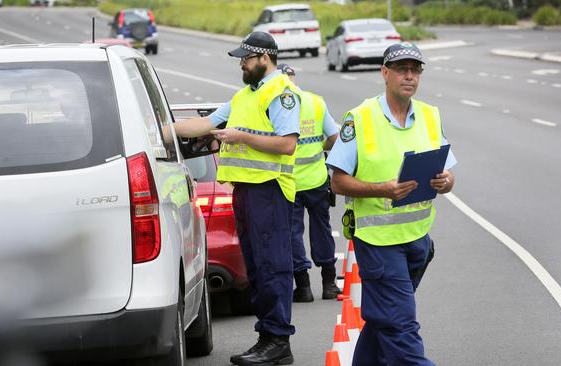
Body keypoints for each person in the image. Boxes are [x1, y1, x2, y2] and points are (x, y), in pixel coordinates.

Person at [169, 32, 300, 366]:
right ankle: (267, 338)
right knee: (257, 267)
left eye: (246, 58)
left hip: (269, 191)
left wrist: (240, 136)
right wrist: (161, 128)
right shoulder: (245, 95)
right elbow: (204, 124)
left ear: (264, 58)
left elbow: (287, 144)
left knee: (273, 267)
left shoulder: (281, 93)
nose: (241, 63)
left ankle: (277, 341)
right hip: (245, 191)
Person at [325, 42, 457, 366]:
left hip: (418, 241)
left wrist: (446, 182)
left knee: (385, 319)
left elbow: (448, 175)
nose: (409, 76)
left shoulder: (429, 115)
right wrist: (383, 190)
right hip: (379, 244)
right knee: (401, 326)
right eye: (401, 69)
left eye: (415, 70)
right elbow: (337, 181)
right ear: (385, 73)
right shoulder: (359, 118)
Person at [277, 64, 341, 302]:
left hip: (289, 182)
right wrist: (319, 147)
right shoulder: (315, 102)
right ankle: (329, 283)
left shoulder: (275, 105)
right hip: (316, 179)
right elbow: (335, 138)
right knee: (322, 229)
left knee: (292, 233)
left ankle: (303, 287)